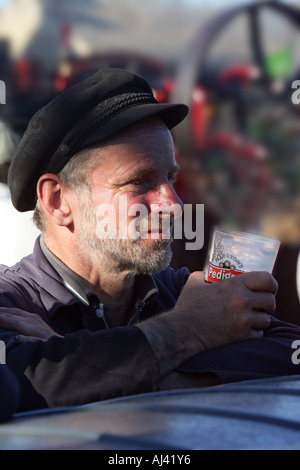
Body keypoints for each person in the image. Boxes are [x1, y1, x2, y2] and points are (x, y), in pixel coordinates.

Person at [0, 67, 300, 413]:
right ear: (57, 200)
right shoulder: (11, 305)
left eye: (171, 177)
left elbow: (290, 351)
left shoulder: (177, 291)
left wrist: (82, 363)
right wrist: (188, 331)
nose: (173, 204)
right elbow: (17, 384)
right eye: (139, 181)